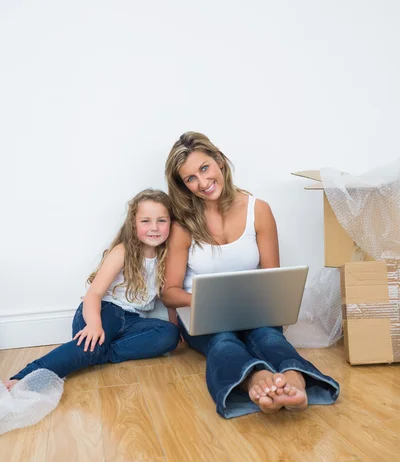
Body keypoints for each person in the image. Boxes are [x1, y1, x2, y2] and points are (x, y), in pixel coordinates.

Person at [162, 132, 340, 419]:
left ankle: (294, 377)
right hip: (203, 317)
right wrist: (207, 301)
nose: (203, 182)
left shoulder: (258, 210)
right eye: (190, 178)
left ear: (219, 161)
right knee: (223, 341)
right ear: (183, 185)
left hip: (252, 311)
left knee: (269, 336)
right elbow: (169, 291)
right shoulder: (182, 224)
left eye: (205, 168)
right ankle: (253, 380)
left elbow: (273, 279)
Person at [4, 189, 180, 390]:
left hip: (133, 321)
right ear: (133, 223)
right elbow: (93, 294)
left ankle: (101, 352)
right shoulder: (123, 251)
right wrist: (95, 325)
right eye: (146, 221)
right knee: (90, 345)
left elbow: (169, 296)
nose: (154, 228)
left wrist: (176, 327)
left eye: (162, 221)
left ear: (171, 223)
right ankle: (24, 378)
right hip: (104, 311)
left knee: (169, 335)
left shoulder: (169, 256)